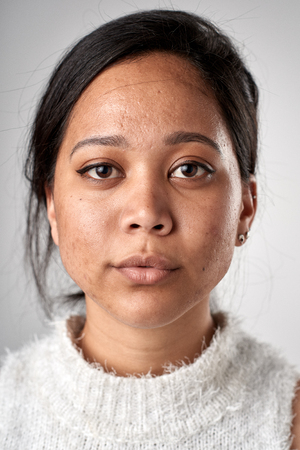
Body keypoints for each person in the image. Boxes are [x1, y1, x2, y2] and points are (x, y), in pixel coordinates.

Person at [0, 9, 299, 449]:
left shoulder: (289, 424)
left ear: (245, 207)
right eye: (102, 169)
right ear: (52, 206)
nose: (146, 213)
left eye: (189, 168)